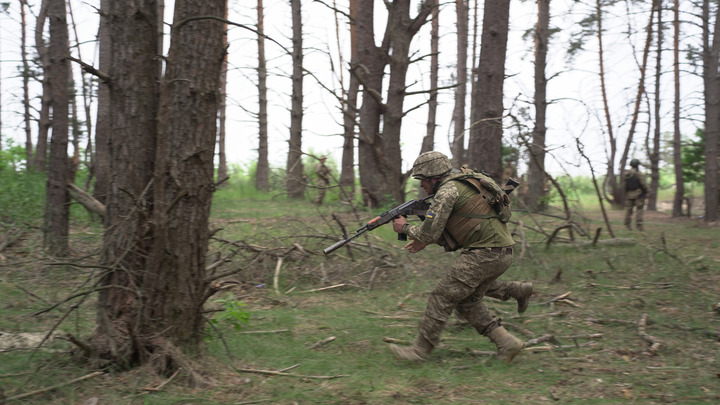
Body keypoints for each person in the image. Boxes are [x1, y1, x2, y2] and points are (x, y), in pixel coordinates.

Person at [389, 151, 528, 363]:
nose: (422, 187)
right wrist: (424, 238)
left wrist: (404, 227)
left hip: (484, 253)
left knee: (442, 296)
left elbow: (429, 233)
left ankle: (419, 351)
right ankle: (507, 342)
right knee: (466, 301)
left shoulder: (446, 191)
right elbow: (454, 224)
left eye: (423, 181)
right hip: (502, 251)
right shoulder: (466, 180)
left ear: (434, 177)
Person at [624, 158, 648, 231]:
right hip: (638, 194)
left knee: (629, 210)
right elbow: (644, 184)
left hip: (629, 194)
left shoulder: (626, 174)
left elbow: (624, 185)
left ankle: (627, 225)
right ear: (637, 165)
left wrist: (626, 192)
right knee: (639, 210)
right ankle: (639, 226)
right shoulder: (639, 174)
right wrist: (647, 191)